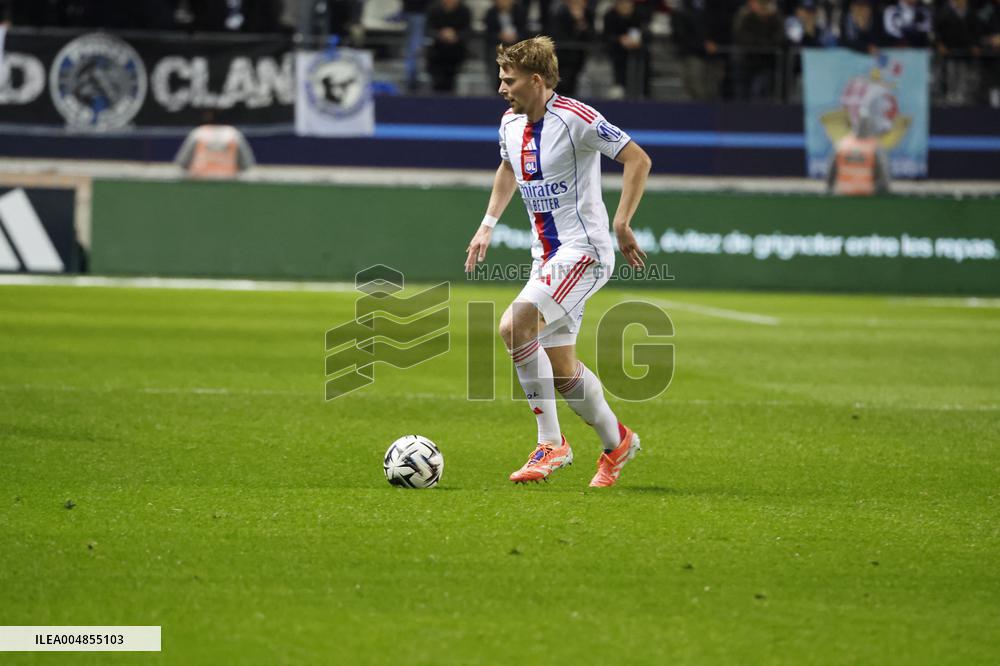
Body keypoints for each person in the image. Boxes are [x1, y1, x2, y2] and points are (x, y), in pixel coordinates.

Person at [463, 36, 652, 487]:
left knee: (514, 326)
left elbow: (637, 159)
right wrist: (487, 224)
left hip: (584, 251)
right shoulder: (509, 123)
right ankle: (618, 443)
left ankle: (551, 443)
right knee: (562, 367)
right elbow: (508, 168)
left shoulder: (577, 119)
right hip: (545, 257)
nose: (501, 88)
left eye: (509, 80)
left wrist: (622, 222)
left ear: (536, 80)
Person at [825, 114, 890, 196]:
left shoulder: (842, 145)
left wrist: (829, 189)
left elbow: (831, 171)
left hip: (844, 193)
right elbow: (883, 174)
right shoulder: (875, 147)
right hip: (867, 195)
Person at [175, 121, 256, 179]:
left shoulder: (197, 133)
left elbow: (182, 162)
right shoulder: (234, 134)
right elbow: (246, 165)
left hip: (203, 181)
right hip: (224, 181)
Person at [426, 0, 472, 93]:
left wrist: (456, 36)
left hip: (456, 53)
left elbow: (467, 31)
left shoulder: (464, 11)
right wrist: (441, 35)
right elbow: (428, 29)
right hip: (437, 53)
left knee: (452, 83)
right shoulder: (433, 9)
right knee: (437, 83)